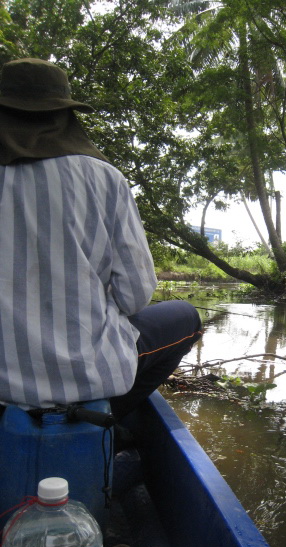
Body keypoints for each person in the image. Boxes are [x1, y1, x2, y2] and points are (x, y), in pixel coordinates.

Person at [0, 58, 202, 421]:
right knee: (186, 316)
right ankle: (112, 419)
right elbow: (135, 294)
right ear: (65, 115)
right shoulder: (103, 177)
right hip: (89, 374)